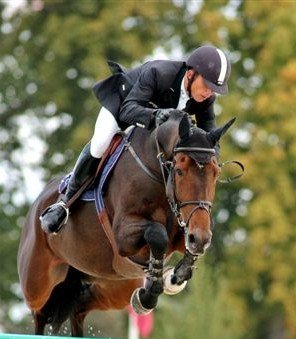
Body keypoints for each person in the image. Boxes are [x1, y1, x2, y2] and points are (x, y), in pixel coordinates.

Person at [40, 44, 231, 234]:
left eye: (214, 89)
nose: (209, 92)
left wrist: (211, 159)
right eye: (207, 85)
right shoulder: (159, 73)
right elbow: (128, 110)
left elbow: (209, 135)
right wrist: (154, 115)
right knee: (100, 144)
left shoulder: (206, 98)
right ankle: (64, 203)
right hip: (123, 106)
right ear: (191, 74)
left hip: (152, 128)